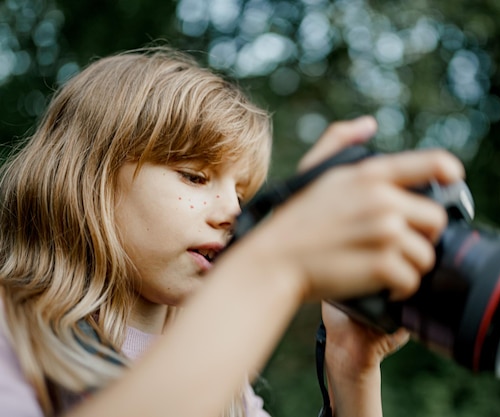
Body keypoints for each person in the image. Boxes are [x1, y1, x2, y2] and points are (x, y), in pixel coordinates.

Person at [0, 46, 465, 417]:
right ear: (88, 178)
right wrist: (271, 270)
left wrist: (352, 368)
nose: (231, 212)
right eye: (194, 177)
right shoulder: (13, 334)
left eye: (242, 194)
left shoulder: (228, 391)